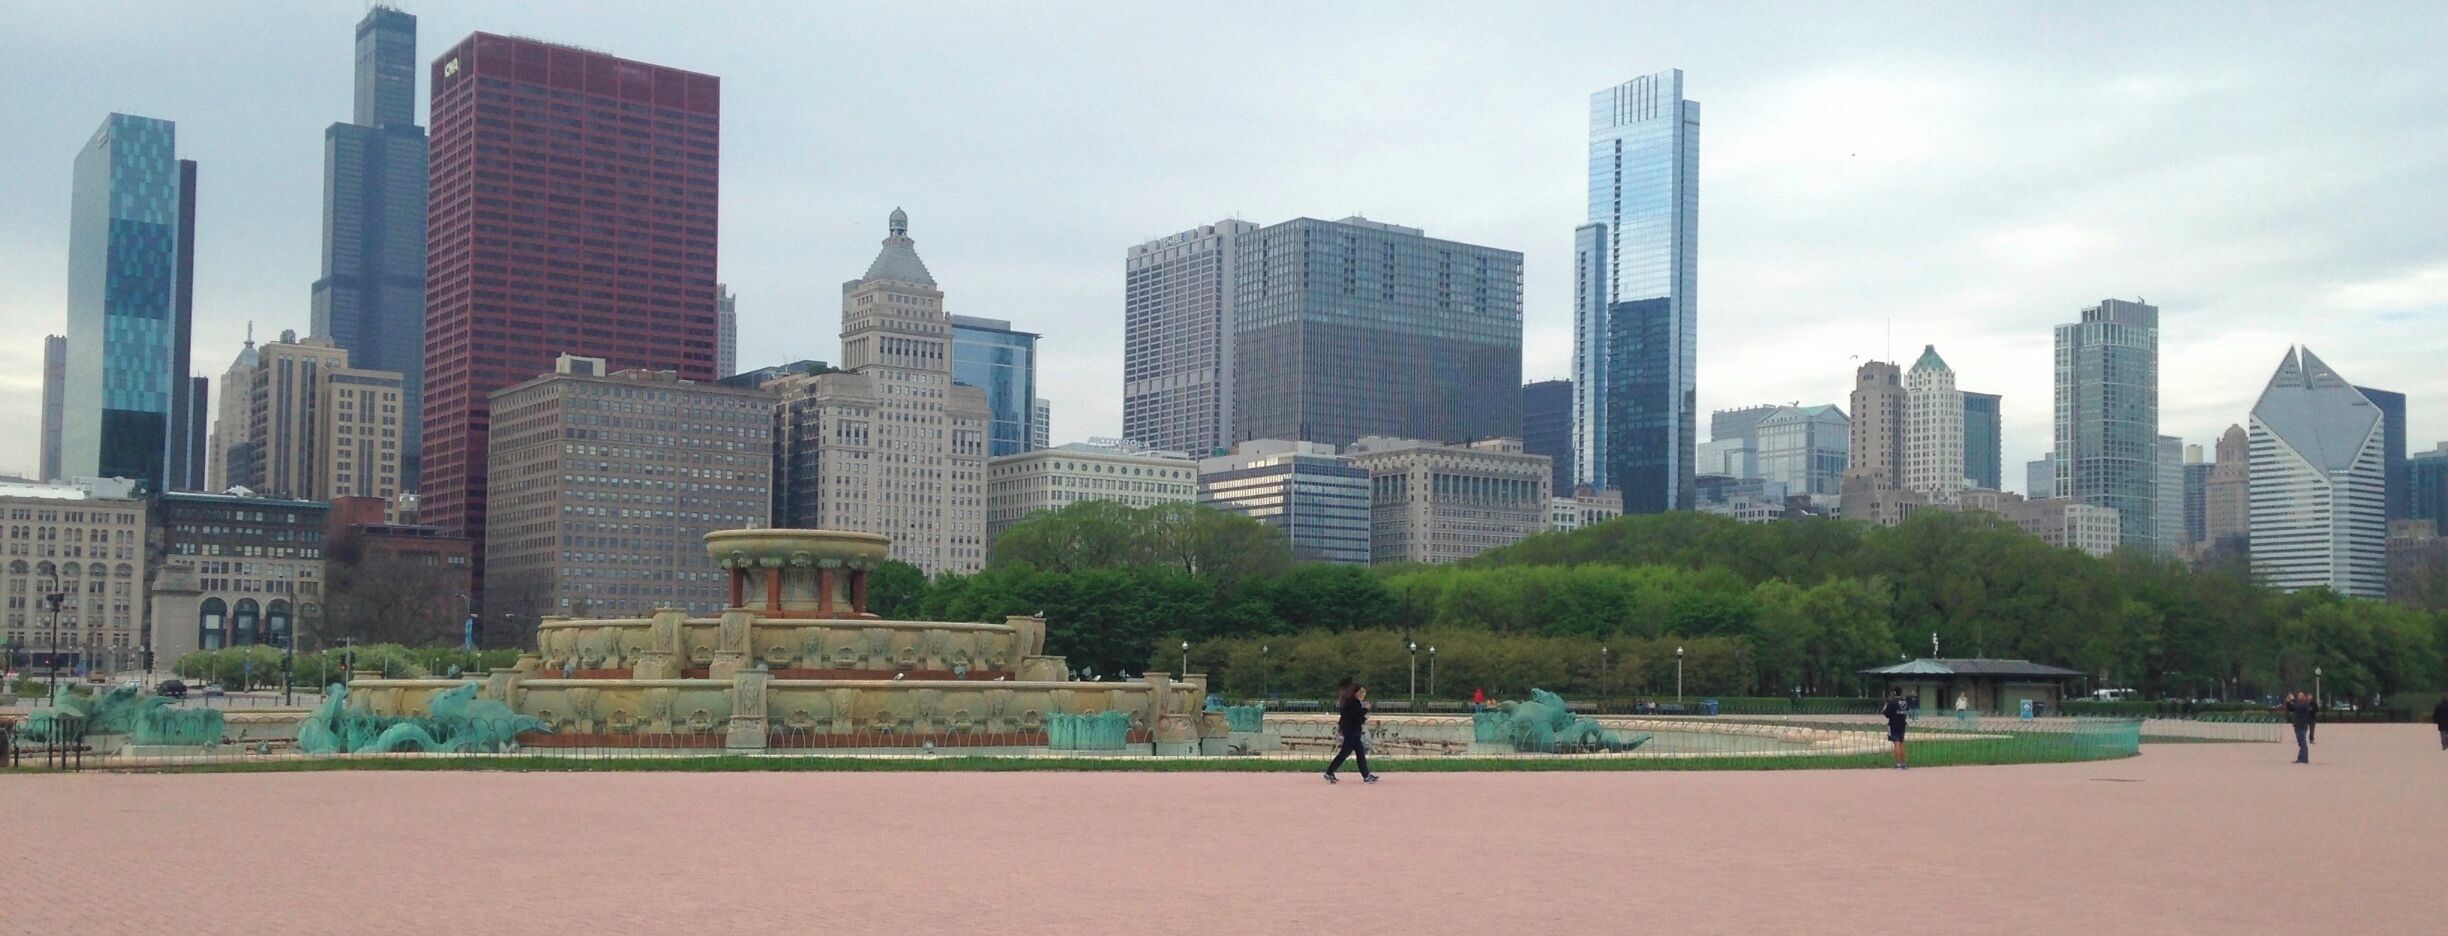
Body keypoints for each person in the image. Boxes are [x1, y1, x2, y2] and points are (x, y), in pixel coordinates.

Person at [1324, 682, 1378, 784]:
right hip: (1352, 731)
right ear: (1355, 692)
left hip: (1351, 731)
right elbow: (1356, 717)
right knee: (1346, 753)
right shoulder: (1353, 703)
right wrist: (1365, 712)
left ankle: (1366, 775)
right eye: (1360, 692)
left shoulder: (1348, 702)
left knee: (1359, 753)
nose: (1362, 694)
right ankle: (1329, 772)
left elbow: (1349, 717)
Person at [2280, 691, 2316, 764]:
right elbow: (2291, 708)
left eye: (2300, 695)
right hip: (2297, 725)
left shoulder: (2305, 704)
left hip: (2302, 726)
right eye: (2298, 695)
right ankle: (2301, 758)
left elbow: (2299, 707)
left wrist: (2293, 700)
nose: (2299, 696)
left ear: (2303, 697)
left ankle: (2304, 759)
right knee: (2300, 743)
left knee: (2302, 743)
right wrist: (2288, 702)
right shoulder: (2299, 703)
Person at [1881, 688, 1910, 769]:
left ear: (1894, 693)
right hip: (1902, 724)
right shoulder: (1905, 702)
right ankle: (1904, 762)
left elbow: (1887, 714)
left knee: (1896, 743)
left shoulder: (1892, 703)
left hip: (1893, 724)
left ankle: (1898, 763)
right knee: (1901, 743)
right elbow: (1907, 711)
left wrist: (1884, 708)